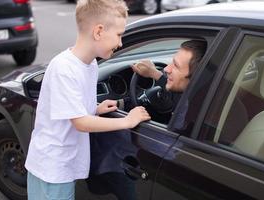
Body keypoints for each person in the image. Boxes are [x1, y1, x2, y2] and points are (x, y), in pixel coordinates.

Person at [24, 0, 150, 199]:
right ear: (98, 31)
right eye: (119, 34)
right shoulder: (64, 68)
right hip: (52, 170)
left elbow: (76, 110)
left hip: (64, 165)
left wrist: (95, 109)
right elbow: (81, 123)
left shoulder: (90, 65)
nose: (121, 43)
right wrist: (127, 121)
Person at [88, 39, 207, 200]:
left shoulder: (192, 107)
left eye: (176, 66)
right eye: (171, 62)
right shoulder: (206, 96)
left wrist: (129, 121)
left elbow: (165, 149)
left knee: (116, 144)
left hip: (156, 167)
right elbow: (177, 91)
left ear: (195, 78)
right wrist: (154, 74)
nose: (166, 69)